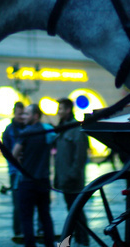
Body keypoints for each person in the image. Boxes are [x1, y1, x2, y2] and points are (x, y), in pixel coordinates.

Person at [12, 104, 56, 247]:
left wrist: (20, 159)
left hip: (28, 182)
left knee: (26, 218)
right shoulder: (46, 131)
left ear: (35, 116)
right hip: (43, 181)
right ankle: (50, 244)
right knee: (45, 217)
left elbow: (13, 155)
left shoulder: (26, 133)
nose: (23, 117)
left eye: (27, 114)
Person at [54, 98, 89, 247]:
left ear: (68, 110)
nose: (58, 112)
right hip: (64, 179)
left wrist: (72, 175)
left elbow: (80, 156)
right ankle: (75, 239)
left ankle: (83, 240)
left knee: (77, 212)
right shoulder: (62, 129)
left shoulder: (76, 130)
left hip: (73, 180)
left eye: (61, 109)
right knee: (72, 211)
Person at [2, 101, 26, 238]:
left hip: (27, 171)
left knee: (27, 202)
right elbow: (5, 151)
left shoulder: (28, 127)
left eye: (23, 113)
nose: (22, 116)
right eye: (19, 114)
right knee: (17, 203)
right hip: (15, 172)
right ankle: (18, 230)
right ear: (14, 113)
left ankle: (27, 229)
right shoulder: (9, 130)